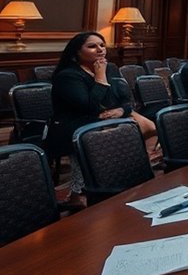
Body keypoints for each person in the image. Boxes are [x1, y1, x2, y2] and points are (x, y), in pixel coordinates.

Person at [51, 31, 155, 202]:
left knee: (137, 130)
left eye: (102, 45)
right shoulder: (67, 76)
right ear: (76, 52)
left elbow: (125, 100)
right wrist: (100, 78)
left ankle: (121, 180)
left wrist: (122, 110)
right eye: (92, 46)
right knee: (111, 138)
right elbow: (89, 107)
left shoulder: (109, 68)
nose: (99, 49)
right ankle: (80, 195)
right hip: (74, 125)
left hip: (103, 119)